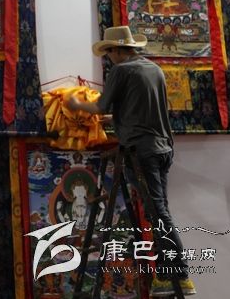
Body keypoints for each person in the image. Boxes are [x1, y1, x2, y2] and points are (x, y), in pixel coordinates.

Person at [66, 25, 196, 297]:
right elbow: (146, 110)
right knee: (158, 210)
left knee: (158, 213)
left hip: (142, 151)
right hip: (162, 148)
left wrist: (76, 104)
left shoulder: (121, 70)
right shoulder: (153, 70)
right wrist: (115, 118)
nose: (108, 58)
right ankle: (165, 274)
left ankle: (180, 273)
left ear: (116, 49)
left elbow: (99, 106)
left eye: (108, 53)